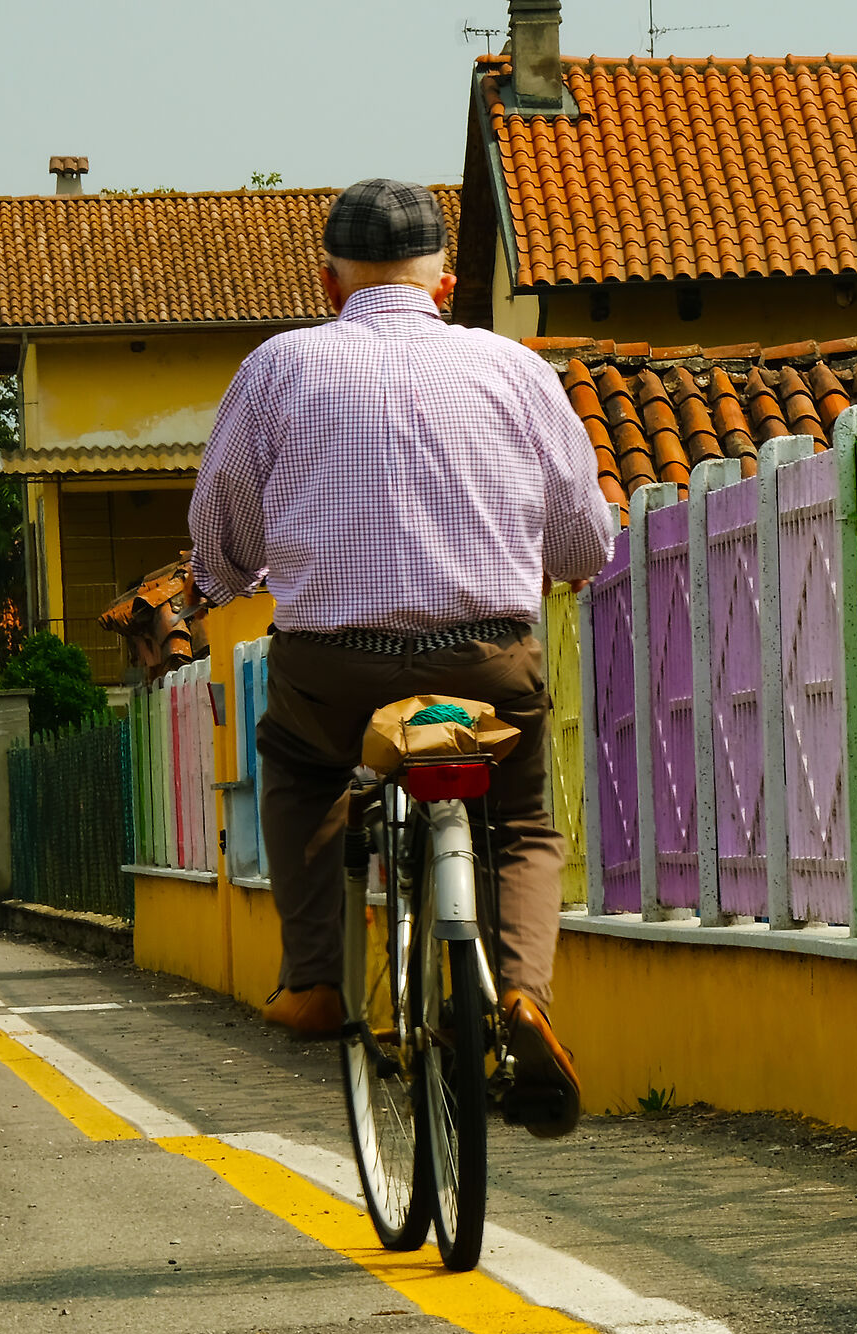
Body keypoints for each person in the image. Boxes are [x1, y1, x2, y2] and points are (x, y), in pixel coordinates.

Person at [188, 178, 613, 1138]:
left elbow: (221, 539)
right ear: (446, 282)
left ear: (330, 284)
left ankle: (313, 982)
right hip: (489, 664)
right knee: (525, 821)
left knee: (301, 772)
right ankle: (523, 998)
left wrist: (237, 573)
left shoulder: (279, 368)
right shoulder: (514, 370)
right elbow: (585, 546)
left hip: (332, 669)